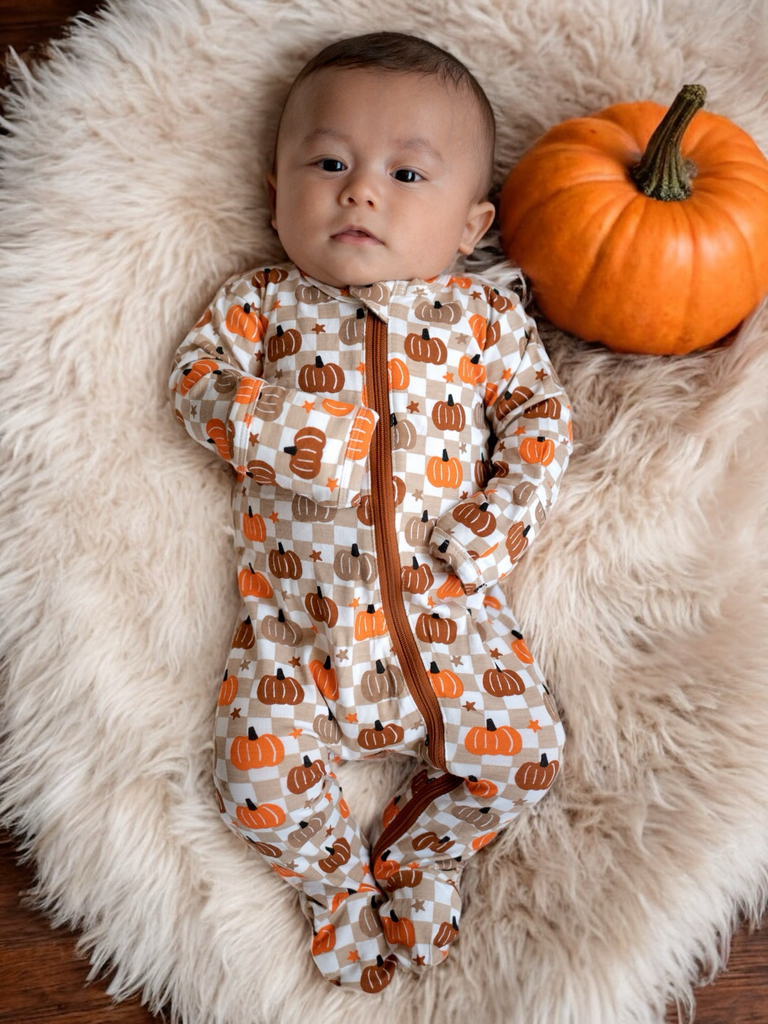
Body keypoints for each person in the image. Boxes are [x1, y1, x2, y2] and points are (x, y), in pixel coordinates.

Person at [169, 30, 573, 994]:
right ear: (276, 193)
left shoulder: (482, 319)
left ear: (471, 225)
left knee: (526, 756)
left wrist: (497, 522)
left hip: (453, 616)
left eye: (406, 173)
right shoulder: (263, 303)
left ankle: (422, 857)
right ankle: (337, 889)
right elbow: (196, 383)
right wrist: (296, 430)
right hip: (296, 627)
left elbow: (540, 419)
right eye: (329, 165)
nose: (360, 192)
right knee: (252, 778)